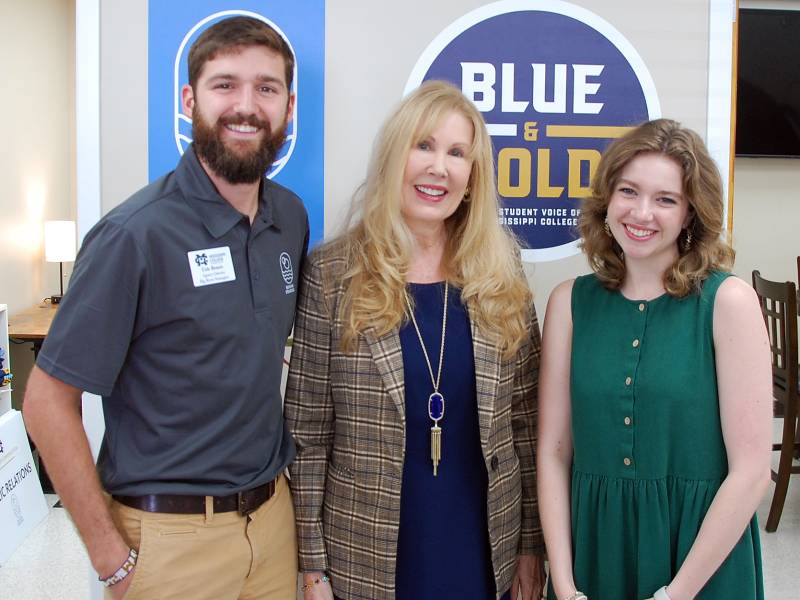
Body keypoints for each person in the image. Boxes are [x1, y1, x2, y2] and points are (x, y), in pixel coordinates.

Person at [23, 16, 307, 600]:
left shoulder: (290, 219)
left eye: (266, 87)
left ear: (289, 106)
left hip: (273, 527)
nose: (246, 106)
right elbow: (47, 401)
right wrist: (110, 557)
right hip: (170, 540)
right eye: (224, 84)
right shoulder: (135, 235)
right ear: (189, 100)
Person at [284, 80, 545, 600]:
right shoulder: (333, 274)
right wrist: (312, 568)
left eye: (456, 153)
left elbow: (525, 423)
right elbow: (307, 434)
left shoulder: (502, 270)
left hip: (481, 540)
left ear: (472, 177)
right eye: (423, 146)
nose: (438, 168)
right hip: (368, 551)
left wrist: (530, 546)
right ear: (393, 158)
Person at [536, 119, 772, 600]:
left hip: (701, 562)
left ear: (689, 214)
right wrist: (562, 581)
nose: (642, 212)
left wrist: (676, 593)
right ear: (607, 200)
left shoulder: (729, 303)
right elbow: (554, 453)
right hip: (595, 555)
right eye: (629, 191)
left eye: (666, 199)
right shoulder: (569, 304)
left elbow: (750, 473)